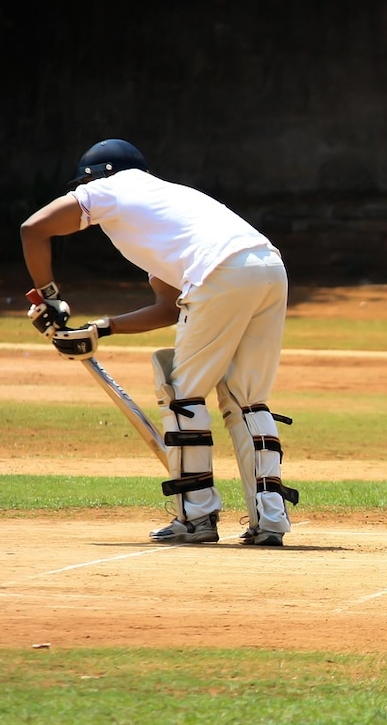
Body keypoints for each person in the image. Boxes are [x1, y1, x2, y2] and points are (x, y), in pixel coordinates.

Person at [20, 138, 296, 546]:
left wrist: (48, 296)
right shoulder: (167, 205)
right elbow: (168, 307)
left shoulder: (109, 188)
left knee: (183, 395)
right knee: (247, 398)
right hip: (269, 267)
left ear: (94, 177)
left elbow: (34, 228)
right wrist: (101, 329)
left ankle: (196, 517)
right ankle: (270, 519)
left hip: (219, 271)